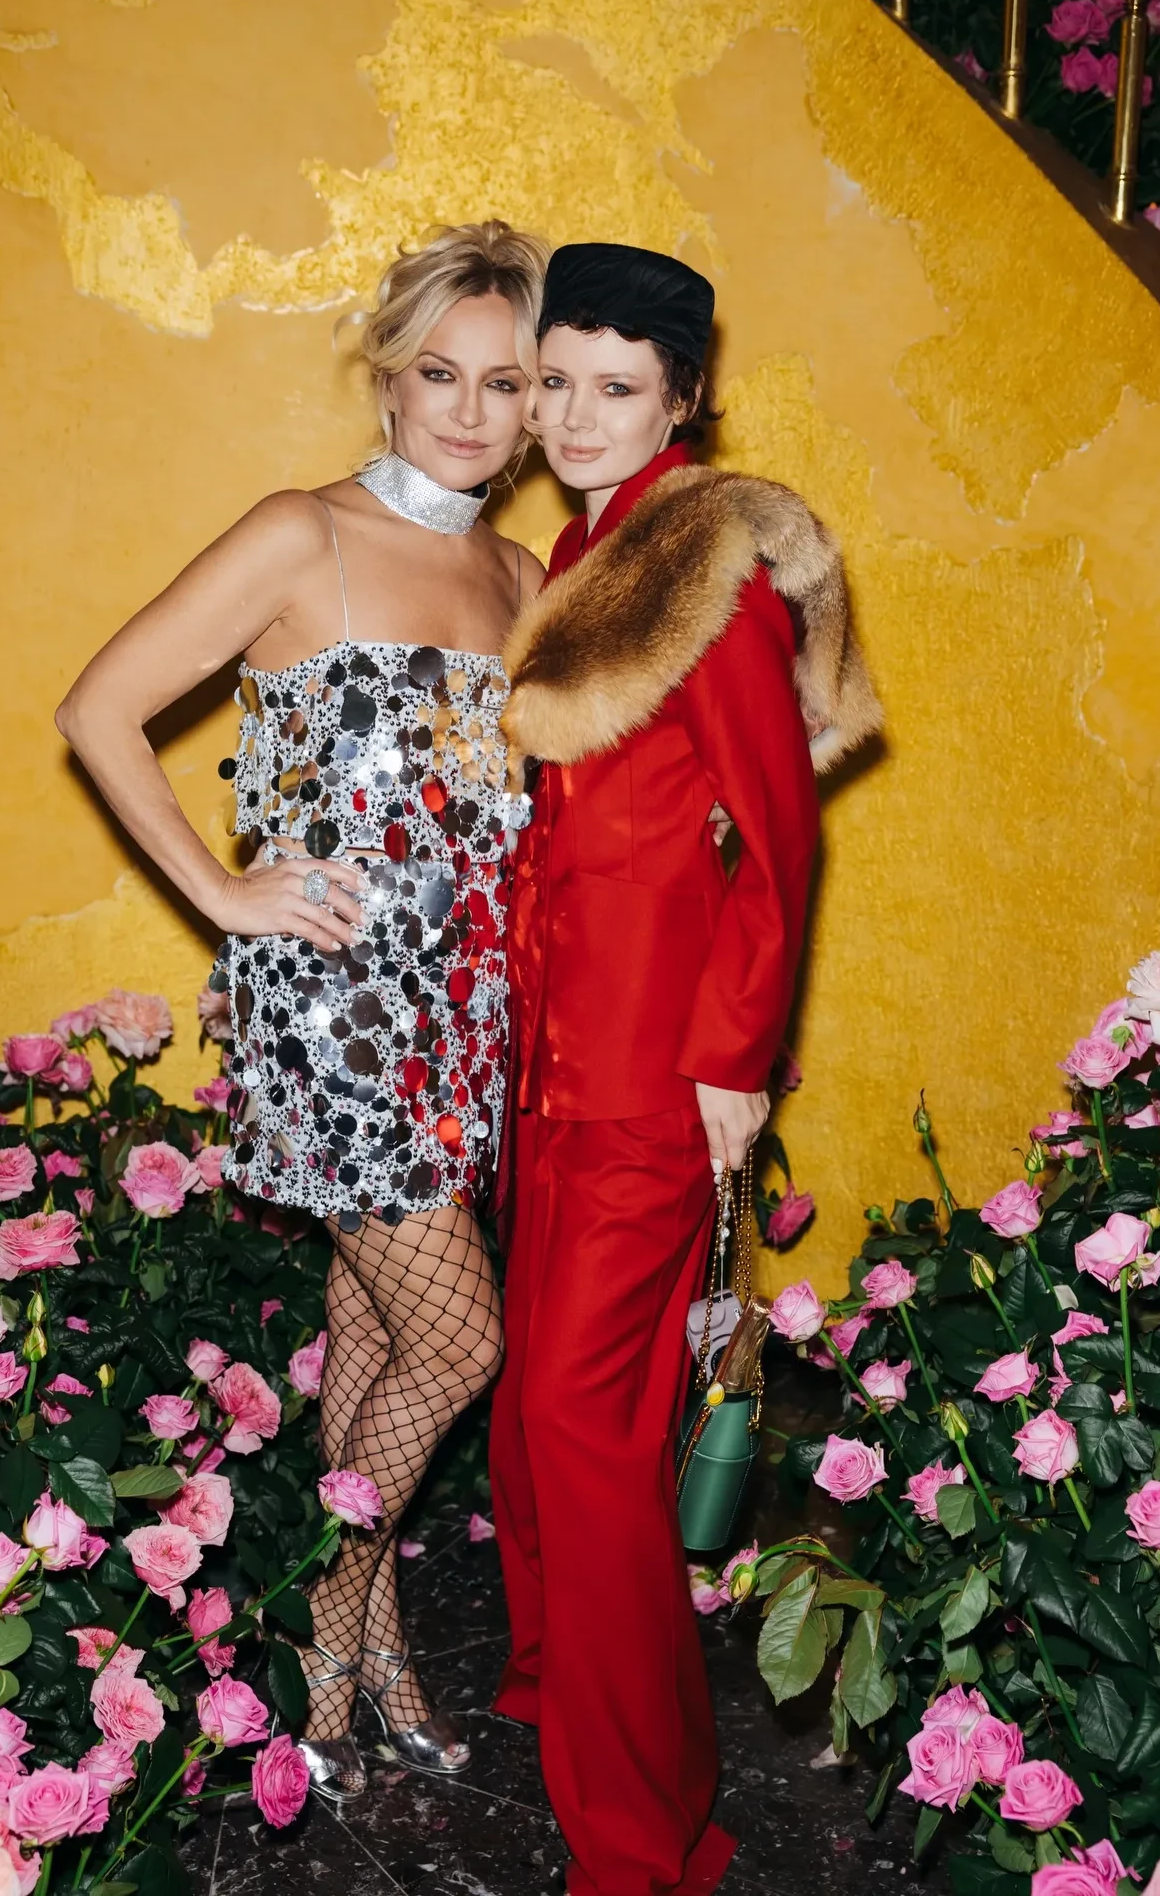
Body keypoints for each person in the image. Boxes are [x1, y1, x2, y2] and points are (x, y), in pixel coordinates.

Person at [55, 220, 549, 1804]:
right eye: (439, 373)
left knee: (380, 1329)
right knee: (461, 1339)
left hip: (460, 1018)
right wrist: (224, 891)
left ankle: (369, 1650)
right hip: (331, 1013)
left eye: (504, 384)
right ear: (389, 378)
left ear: (535, 407)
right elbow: (98, 707)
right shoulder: (301, 534)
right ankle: (323, 1609)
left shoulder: (526, 578)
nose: (467, 411)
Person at [488, 243, 881, 1896]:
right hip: (555, 1053)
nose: (575, 417)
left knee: (581, 1428)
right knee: (546, 1408)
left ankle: (647, 1838)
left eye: (617, 388)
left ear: (684, 400)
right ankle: (553, 1680)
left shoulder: (705, 566)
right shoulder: (582, 550)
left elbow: (781, 832)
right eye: (555, 382)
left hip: (656, 1070)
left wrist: (737, 1054)